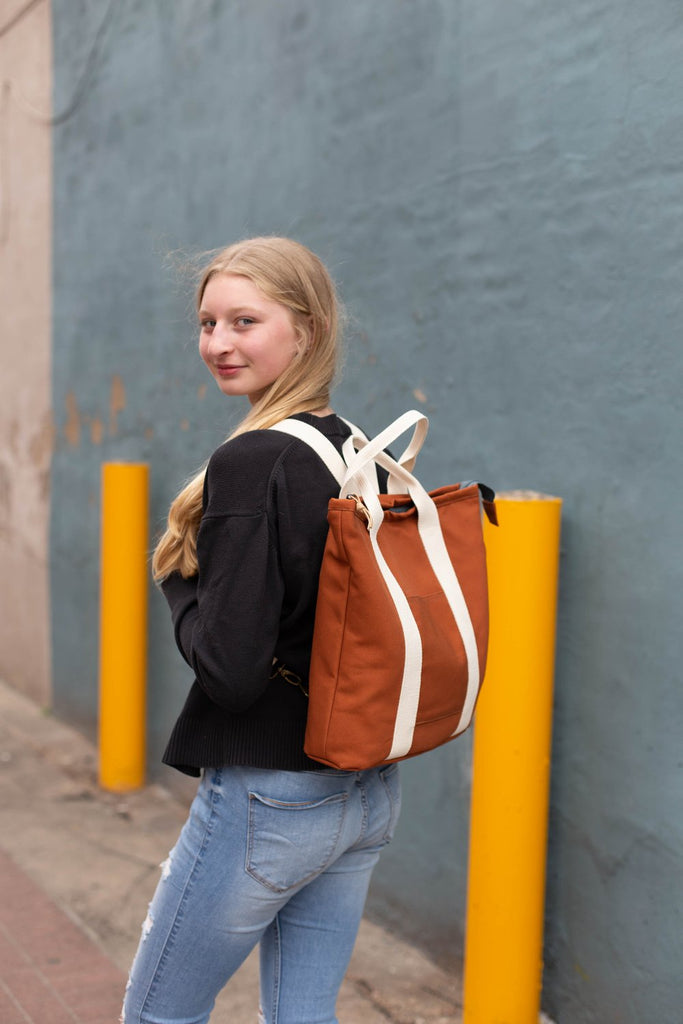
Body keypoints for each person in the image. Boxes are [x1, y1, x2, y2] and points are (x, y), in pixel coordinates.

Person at [121, 237, 401, 1024]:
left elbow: (232, 669)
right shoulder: (355, 448)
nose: (218, 343)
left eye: (245, 321)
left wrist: (178, 583)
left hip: (270, 798)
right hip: (363, 788)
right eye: (208, 322)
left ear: (306, 331)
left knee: (157, 1015)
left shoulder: (255, 461)